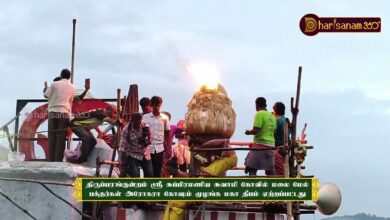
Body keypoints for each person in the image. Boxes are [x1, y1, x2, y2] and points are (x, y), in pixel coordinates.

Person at [44, 69, 76, 161]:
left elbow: (46, 95)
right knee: (61, 137)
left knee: (52, 136)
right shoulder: (73, 87)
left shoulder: (54, 84)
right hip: (64, 113)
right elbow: (71, 101)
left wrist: (45, 89)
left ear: (61, 75)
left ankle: (51, 159)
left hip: (53, 112)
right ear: (69, 77)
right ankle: (58, 160)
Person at [244, 97, 276, 175]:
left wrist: (248, 132)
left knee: (251, 167)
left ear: (256, 105)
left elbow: (256, 130)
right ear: (266, 105)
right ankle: (274, 185)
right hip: (271, 146)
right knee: (270, 170)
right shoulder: (272, 116)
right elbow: (274, 130)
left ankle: (252, 185)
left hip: (260, 145)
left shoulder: (259, 114)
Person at [142, 96, 170, 177]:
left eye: (158, 105)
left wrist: (166, 143)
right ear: (151, 105)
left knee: (157, 172)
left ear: (160, 105)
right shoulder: (145, 117)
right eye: (154, 105)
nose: (156, 107)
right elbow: (142, 130)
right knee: (148, 172)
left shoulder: (165, 118)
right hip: (148, 148)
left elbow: (167, 131)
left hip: (159, 148)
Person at [119, 113, 153, 177]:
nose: (137, 125)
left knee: (149, 174)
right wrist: (121, 159)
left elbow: (151, 136)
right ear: (131, 121)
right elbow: (122, 145)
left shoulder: (145, 126)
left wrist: (146, 142)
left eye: (138, 123)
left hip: (144, 153)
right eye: (135, 124)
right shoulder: (126, 130)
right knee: (134, 174)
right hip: (132, 154)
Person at [272, 101, 287, 176]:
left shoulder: (277, 121)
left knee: (277, 170)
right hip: (285, 147)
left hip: (277, 148)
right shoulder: (285, 120)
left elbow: (272, 133)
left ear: (275, 110)